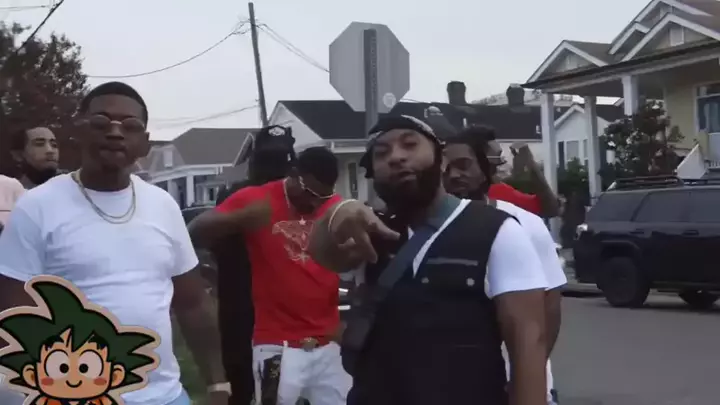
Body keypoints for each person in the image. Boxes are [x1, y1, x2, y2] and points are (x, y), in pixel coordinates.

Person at [0, 82, 230, 405]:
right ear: (79, 131)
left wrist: (218, 384)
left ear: (145, 143)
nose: (115, 132)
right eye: (101, 122)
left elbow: (192, 304)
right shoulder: (37, 207)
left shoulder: (163, 205)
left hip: (165, 396)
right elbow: (15, 313)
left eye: (130, 126)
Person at [308, 115, 548, 405]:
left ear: (442, 160)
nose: (396, 157)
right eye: (382, 153)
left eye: (410, 145)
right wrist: (335, 214)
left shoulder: (497, 231)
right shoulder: (371, 232)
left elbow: (528, 345)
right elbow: (323, 254)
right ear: (373, 173)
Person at [189, 147, 351, 405]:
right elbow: (195, 231)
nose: (314, 203)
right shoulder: (259, 202)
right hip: (278, 345)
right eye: (310, 193)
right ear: (294, 174)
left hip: (329, 342)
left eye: (323, 196)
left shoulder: (333, 205)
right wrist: (211, 264)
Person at [443, 128, 567, 405]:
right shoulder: (423, 230)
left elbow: (549, 313)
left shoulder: (523, 223)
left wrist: (525, 382)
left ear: (484, 168)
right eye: (445, 168)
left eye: (463, 165)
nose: (453, 175)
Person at [212, 125, 297, 405]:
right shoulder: (236, 196)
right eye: (268, 160)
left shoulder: (300, 197)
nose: (275, 169)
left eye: (281, 160)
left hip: (284, 311)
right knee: (244, 382)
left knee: (281, 385)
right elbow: (216, 246)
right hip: (242, 306)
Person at [467, 125, 560, 218]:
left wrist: (516, 174)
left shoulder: (463, 192)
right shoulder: (499, 193)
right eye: (498, 156)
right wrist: (530, 163)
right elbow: (551, 209)